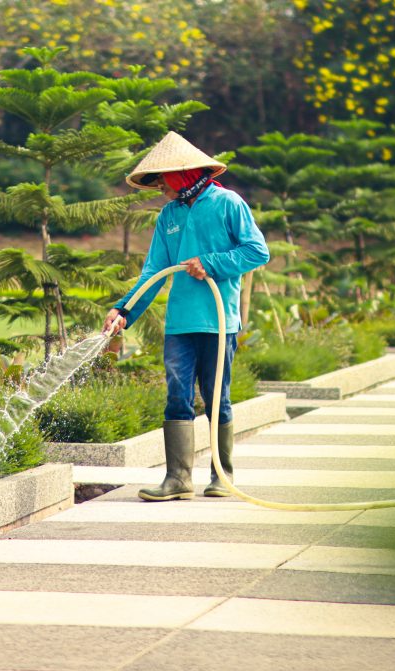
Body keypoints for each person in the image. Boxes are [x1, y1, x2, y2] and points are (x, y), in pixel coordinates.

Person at [102, 131, 269, 501]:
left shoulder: (228, 203)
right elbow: (153, 272)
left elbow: (258, 252)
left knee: (216, 399)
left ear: (184, 173)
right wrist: (123, 309)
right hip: (180, 322)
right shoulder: (169, 215)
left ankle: (221, 477)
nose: (159, 187)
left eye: (163, 179)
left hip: (218, 320)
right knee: (177, 397)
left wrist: (210, 263)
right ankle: (177, 479)